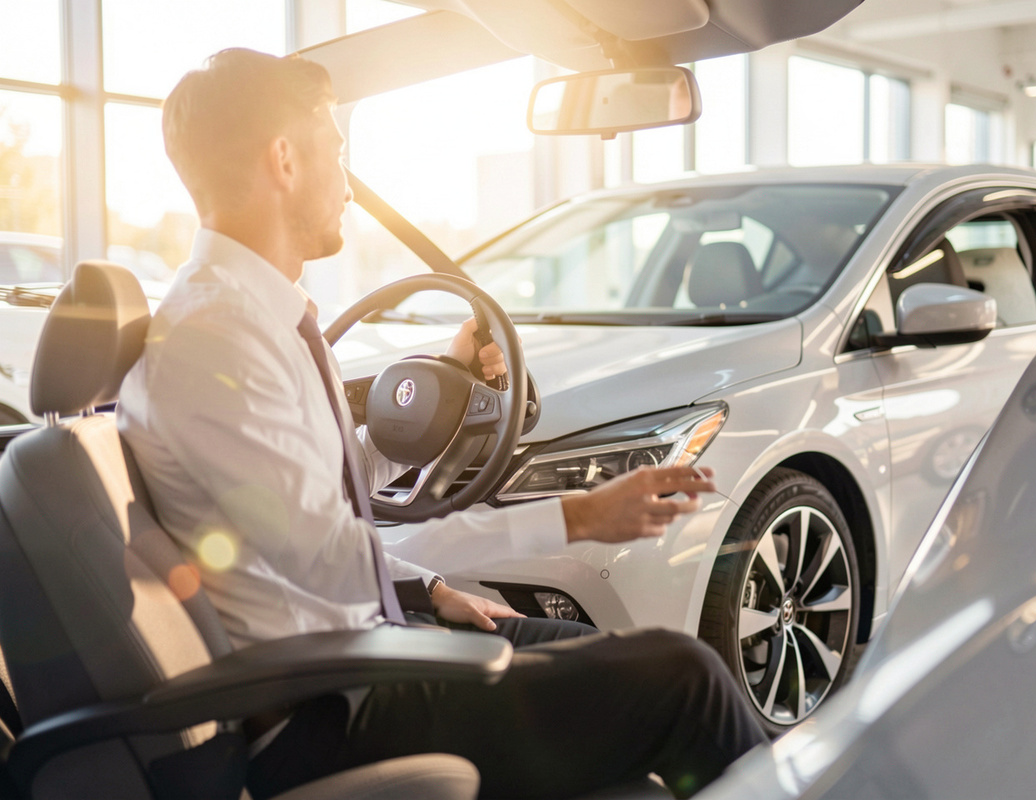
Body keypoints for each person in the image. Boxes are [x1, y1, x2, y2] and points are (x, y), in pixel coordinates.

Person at [118, 47, 768, 800]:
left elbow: (324, 496)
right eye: (337, 151)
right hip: (332, 705)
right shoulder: (214, 340)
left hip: (369, 648)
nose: (349, 186)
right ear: (285, 160)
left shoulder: (253, 316)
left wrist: (430, 576)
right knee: (685, 678)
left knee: (607, 659)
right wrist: (578, 515)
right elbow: (325, 556)